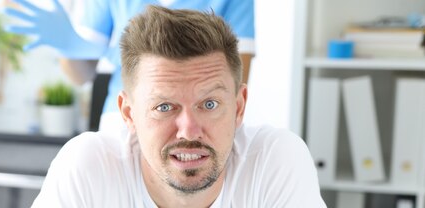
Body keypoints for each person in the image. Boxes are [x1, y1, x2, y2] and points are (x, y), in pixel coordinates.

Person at [31, 5, 326, 207]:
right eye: (164, 107)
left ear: (239, 107)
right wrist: (70, 47)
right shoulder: (86, 168)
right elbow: (81, 68)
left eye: (209, 104)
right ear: (128, 114)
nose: (189, 130)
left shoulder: (274, 162)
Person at [5, 0, 255, 131]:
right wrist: (68, 47)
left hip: (197, 124)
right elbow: (81, 75)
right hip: (121, 124)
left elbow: (233, 83)